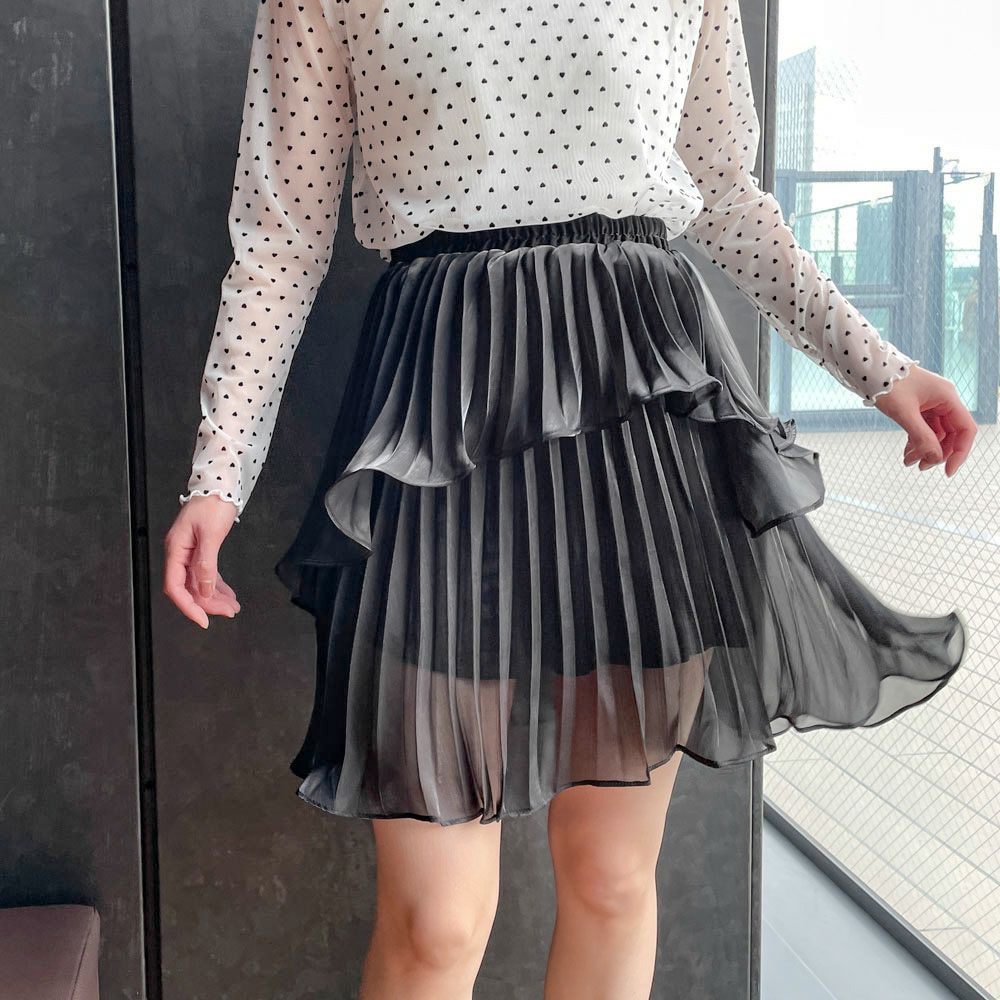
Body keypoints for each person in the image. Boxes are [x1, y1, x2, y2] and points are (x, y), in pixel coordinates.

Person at [163, 0, 976, 995]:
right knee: (434, 923)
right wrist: (219, 473)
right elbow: (280, 239)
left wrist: (877, 367)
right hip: (440, 418)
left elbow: (726, 197)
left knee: (610, 876)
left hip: (642, 417)